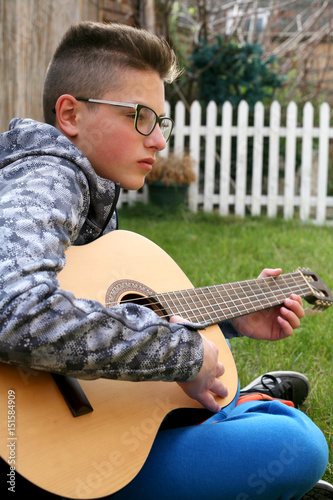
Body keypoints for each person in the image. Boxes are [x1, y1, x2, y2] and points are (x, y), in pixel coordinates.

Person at [0, 21, 331, 500]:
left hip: (67, 426)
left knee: (252, 420)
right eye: (140, 117)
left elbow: (94, 305)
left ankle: (233, 409)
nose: (157, 141)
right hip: (27, 459)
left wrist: (231, 321)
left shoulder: (84, 183)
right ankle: (246, 407)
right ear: (70, 114)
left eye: (161, 122)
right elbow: (15, 311)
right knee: (294, 442)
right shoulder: (48, 176)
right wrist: (184, 354)